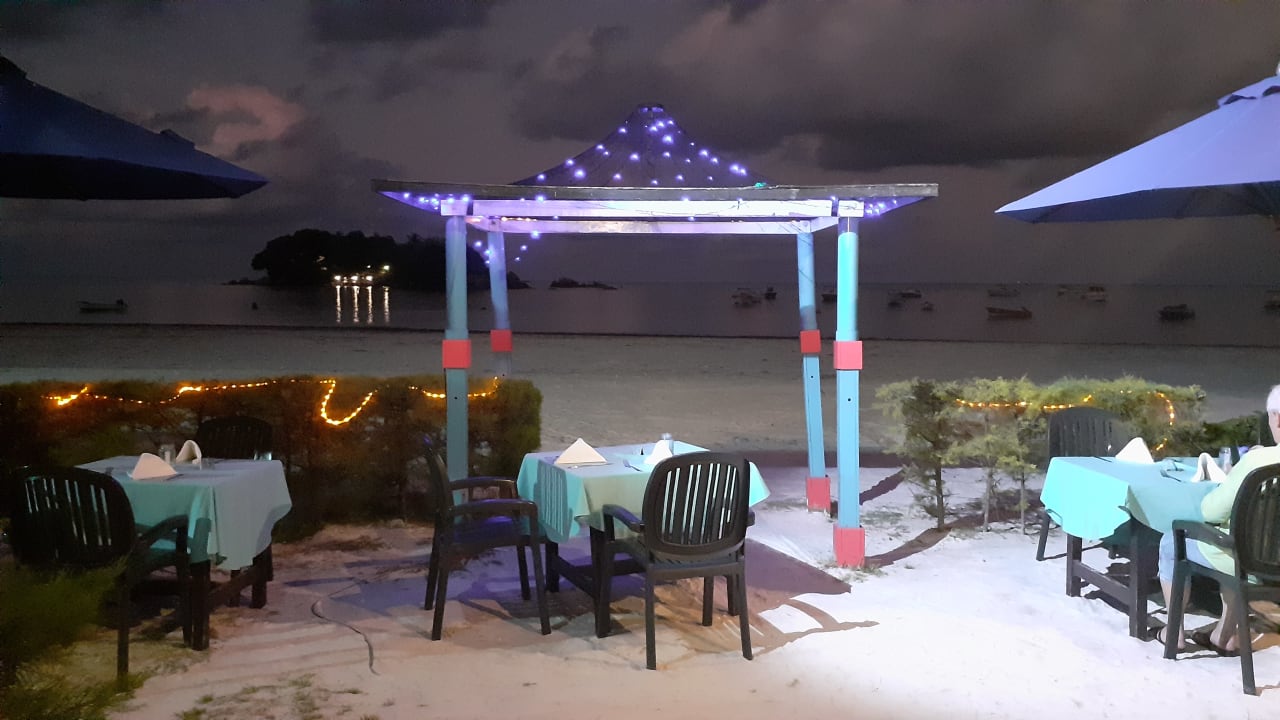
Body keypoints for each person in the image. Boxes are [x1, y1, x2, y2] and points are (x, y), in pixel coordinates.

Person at [1156, 383, 1280, 655]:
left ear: (1277, 419)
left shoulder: (1258, 461)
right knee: (1241, 543)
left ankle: (1174, 633)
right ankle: (1223, 635)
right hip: (1273, 559)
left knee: (1171, 542)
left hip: (1250, 560)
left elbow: (1211, 512)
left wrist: (1236, 473)